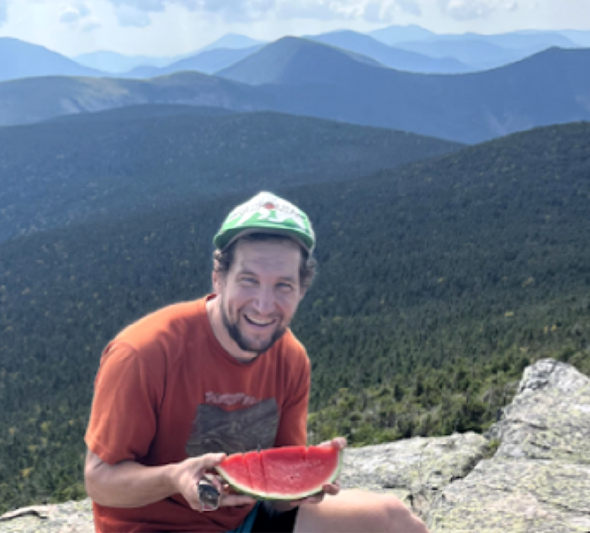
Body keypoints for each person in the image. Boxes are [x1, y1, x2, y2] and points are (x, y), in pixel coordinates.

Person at [83, 191, 429, 533]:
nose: (264, 305)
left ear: (302, 289)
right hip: (152, 528)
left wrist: (302, 485)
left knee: (394, 520)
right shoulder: (144, 352)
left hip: (246, 521)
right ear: (218, 278)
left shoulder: (291, 359)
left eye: (283, 286)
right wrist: (174, 478)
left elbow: (277, 495)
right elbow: (99, 481)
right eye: (249, 281)